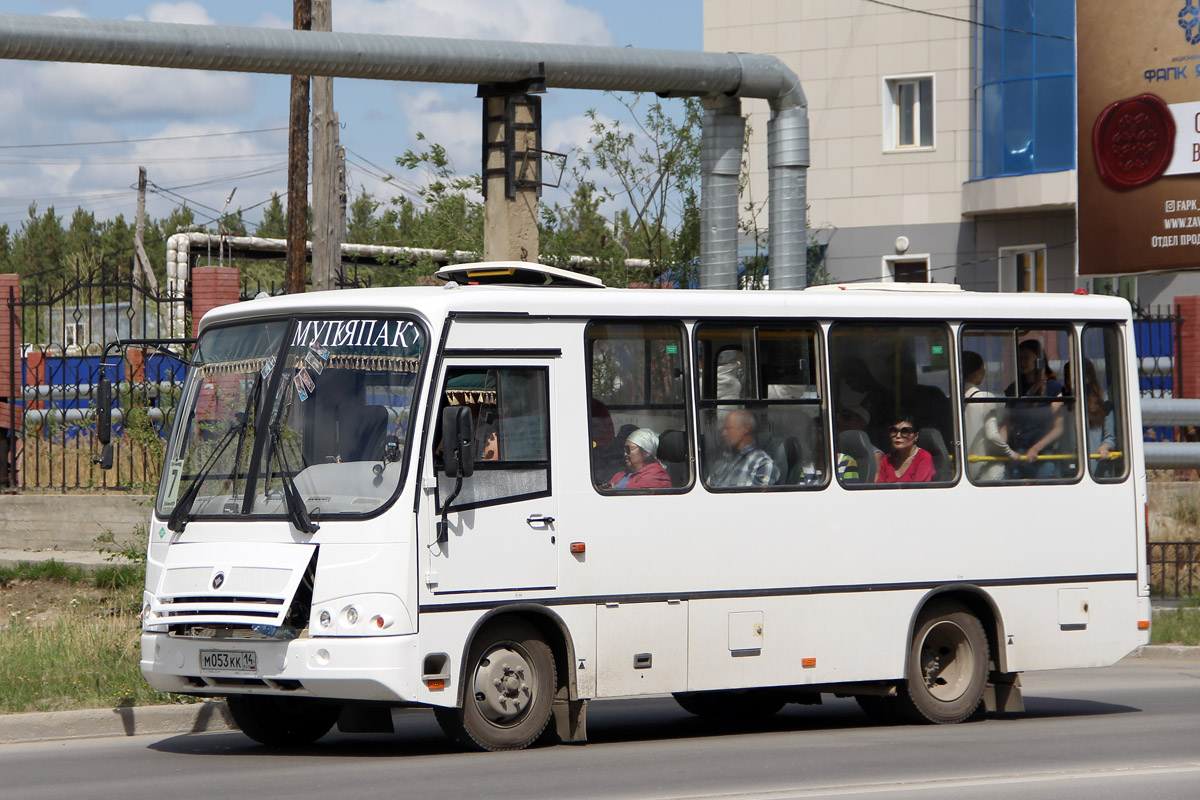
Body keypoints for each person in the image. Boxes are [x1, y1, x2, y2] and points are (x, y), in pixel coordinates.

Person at [1004, 339, 1065, 479]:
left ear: (1039, 360)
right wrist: (1002, 449)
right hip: (1018, 453)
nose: (1023, 362)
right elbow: (1006, 425)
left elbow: (1058, 428)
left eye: (1027, 358)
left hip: (1044, 454)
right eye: (1020, 359)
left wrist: (1036, 448)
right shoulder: (1013, 389)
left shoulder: (1052, 388)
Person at [961, 350, 1015, 481]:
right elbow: (992, 435)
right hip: (989, 471)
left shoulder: (954, 400)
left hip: (967, 470)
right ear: (977, 371)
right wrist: (1011, 454)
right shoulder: (985, 397)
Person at [707, 409, 780, 487]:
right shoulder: (722, 462)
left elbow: (758, 498)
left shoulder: (762, 464)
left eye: (728, 428)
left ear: (745, 429)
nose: (724, 434)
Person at [601, 428, 671, 490]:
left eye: (629, 449)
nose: (625, 454)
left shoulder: (657, 477)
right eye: (624, 450)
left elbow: (634, 496)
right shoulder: (620, 475)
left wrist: (614, 489)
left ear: (646, 452)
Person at [875, 412, 936, 483]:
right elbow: (879, 489)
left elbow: (919, 490)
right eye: (894, 431)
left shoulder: (924, 457)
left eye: (905, 431)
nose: (898, 436)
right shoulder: (887, 459)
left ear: (916, 435)